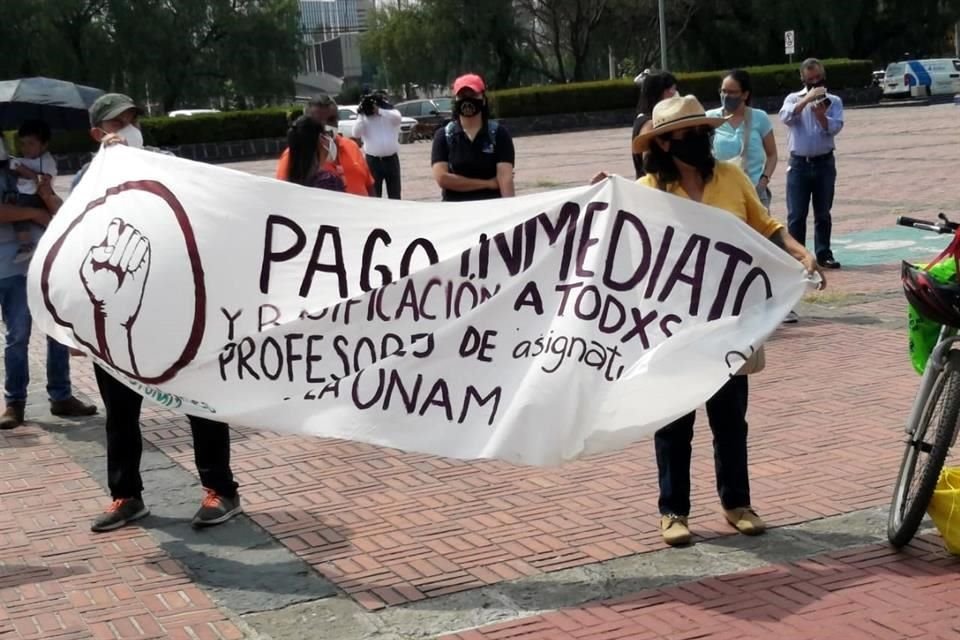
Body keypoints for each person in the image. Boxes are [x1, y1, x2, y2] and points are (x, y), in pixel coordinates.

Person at [628, 95, 825, 547]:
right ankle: (673, 511)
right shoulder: (647, 191)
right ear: (664, 144)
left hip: (731, 322)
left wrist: (799, 251)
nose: (699, 139)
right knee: (674, 422)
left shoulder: (733, 178)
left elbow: (766, 225)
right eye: (687, 133)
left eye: (702, 131)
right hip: (673, 328)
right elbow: (617, 237)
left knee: (730, 420)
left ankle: (737, 504)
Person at [74, 93, 241, 532]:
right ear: (97, 134)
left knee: (199, 399)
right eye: (116, 124)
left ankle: (220, 490)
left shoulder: (168, 165)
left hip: (174, 310)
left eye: (132, 120)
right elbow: (70, 242)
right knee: (120, 411)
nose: (127, 129)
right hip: (115, 315)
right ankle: (126, 495)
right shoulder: (84, 180)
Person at [0, 137, 97, 429]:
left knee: (57, 332)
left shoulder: (29, 171)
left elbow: (61, 213)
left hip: (45, 264)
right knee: (17, 336)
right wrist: (35, 213)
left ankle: (62, 396)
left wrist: (45, 193)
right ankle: (14, 402)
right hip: (9, 269)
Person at [779, 58, 844, 270]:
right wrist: (806, 100)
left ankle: (824, 253)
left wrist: (822, 117)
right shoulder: (793, 98)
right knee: (796, 214)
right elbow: (785, 117)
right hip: (799, 164)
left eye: (818, 78)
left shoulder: (833, 101)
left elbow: (834, 128)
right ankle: (797, 255)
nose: (815, 83)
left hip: (824, 163)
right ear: (803, 79)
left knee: (823, 212)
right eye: (810, 79)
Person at [431, 73, 515, 202]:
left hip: (492, 210)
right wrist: (488, 184)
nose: (468, 100)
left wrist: (512, 213)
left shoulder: (499, 134)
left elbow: (505, 181)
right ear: (455, 101)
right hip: (454, 213)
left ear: (483, 99)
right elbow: (442, 178)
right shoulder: (444, 136)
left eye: (473, 95)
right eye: (462, 96)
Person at [706, 70, 777, 210]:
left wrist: (764, 180)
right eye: (723, 91)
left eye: (732, 92)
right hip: (721, 193)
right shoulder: (709, 118)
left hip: (754, 192)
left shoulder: (760, 118)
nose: (726, 96)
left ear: (745, 94)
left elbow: (772, 155)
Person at [276, 97, 374, 196]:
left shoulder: (351, 146)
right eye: (318, 121)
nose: (325, 126)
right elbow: (284, 195)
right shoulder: (294, 154)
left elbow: (369, 185)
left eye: (331, 119)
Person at [9, 120, 58, 263]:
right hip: (25, 196)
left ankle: (26, 245)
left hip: (36, 197)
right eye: (22, 143)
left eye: (31, 143)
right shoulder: (23, 159)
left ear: (44, 145)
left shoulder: (47, 161)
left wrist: (22, 170)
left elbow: (42, 181)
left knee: (17, 214)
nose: (26, 148)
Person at [354, 91, 403, 199]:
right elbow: (356, 133)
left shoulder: (390, 113)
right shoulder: (364, 117)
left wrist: (380, 111)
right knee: (374, 195)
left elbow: (398, 118)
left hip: (391, 159)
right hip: (373, 161)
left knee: (395, 195)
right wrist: (361, 115)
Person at [632, 70, 677, 179]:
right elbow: (650, 165)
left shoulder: (644, 119)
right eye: (672, 90)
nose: (675, 95)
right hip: (654, 189)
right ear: (660, 92)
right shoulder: (651, 124)